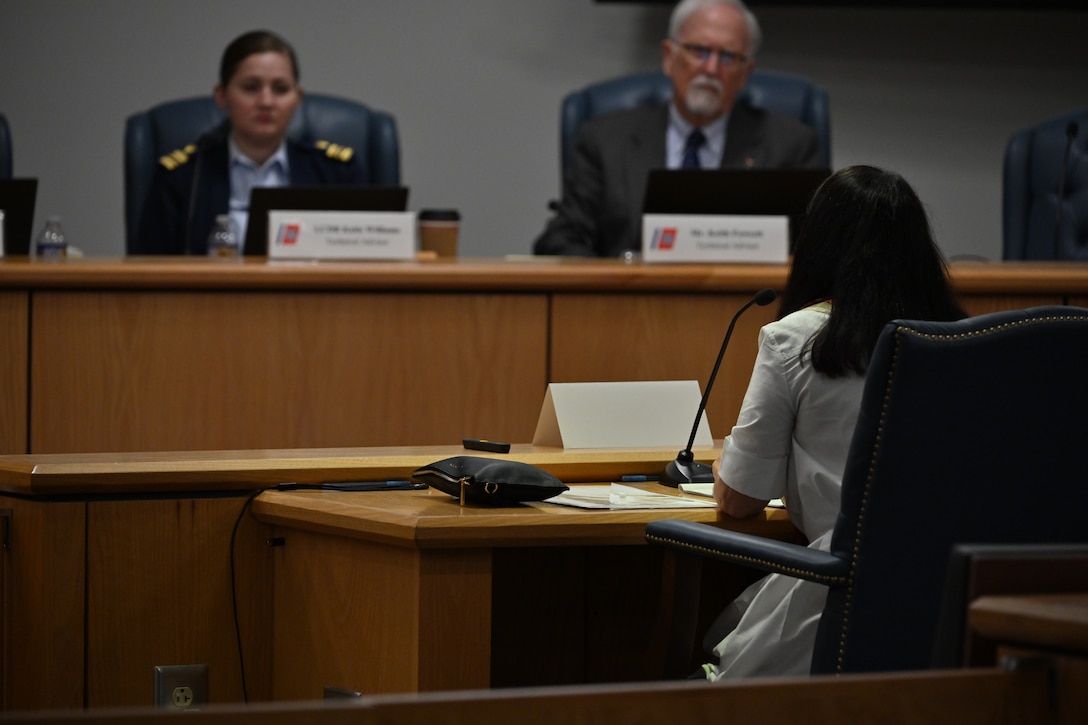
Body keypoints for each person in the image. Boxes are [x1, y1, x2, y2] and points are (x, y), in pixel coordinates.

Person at [700, 165, 966, 679]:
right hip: (948, 614)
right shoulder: (959, 339)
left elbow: (740, 499)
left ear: (818, 243)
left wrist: (721, 465)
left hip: (839, 608)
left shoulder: (796, 339)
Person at [533, 0, 822, 258]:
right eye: (699, 51)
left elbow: (818, 250)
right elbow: (562, 239)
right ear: (669, 56)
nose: (711, 69)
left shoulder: (791, 145)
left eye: (727, 57)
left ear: (746, 72)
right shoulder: (604, 139)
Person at [135, 30, 368, 255]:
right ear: (222, 95)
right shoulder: (183, 177)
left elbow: (367, 262)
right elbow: (146, 274)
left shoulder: (337, 173)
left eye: (280, 89)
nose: (266, 101)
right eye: (251, 87)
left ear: (297, 98)